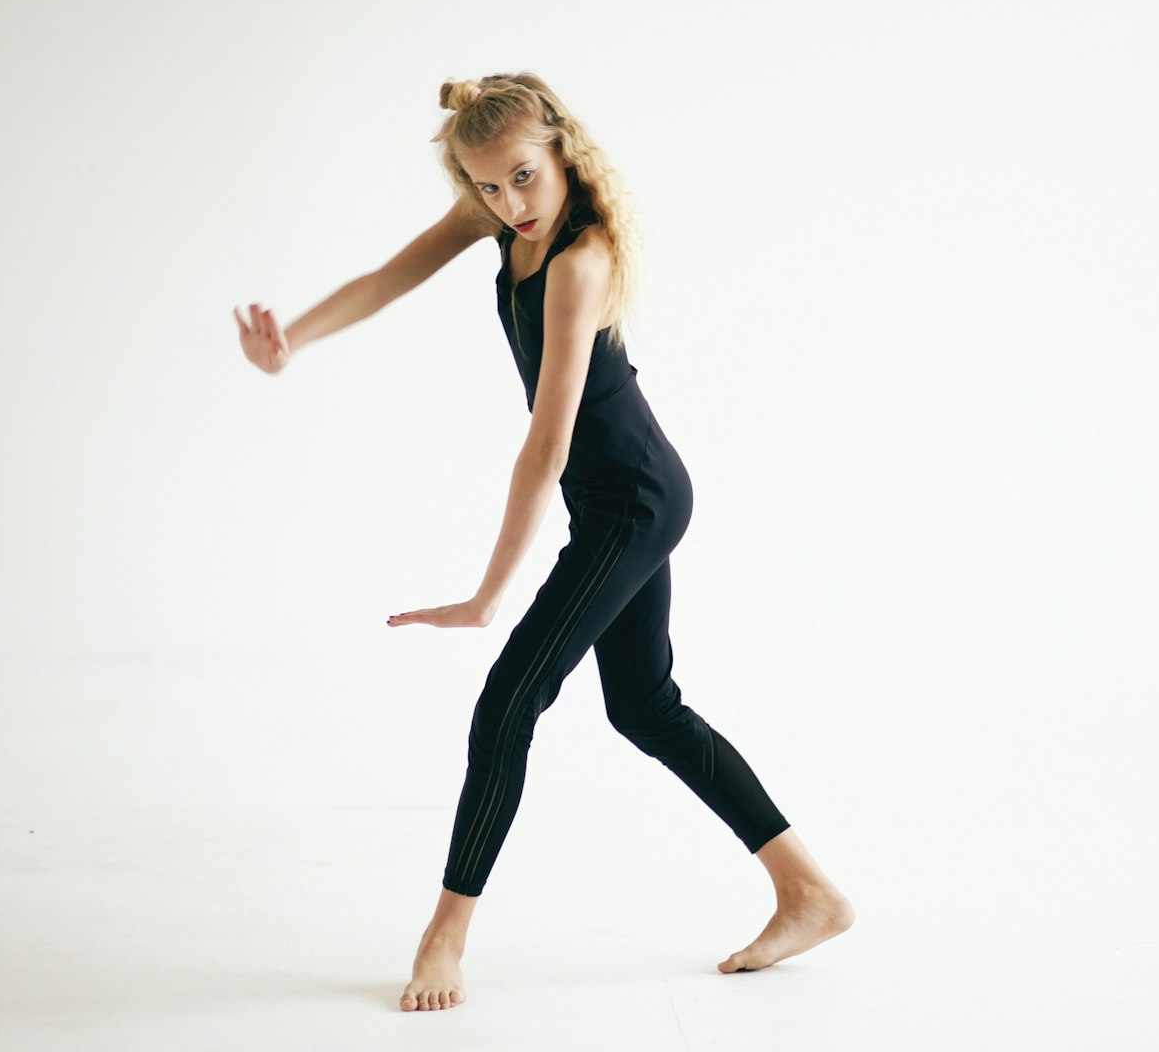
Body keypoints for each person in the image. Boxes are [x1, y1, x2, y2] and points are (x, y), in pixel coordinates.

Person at [233, 71, 854, 1013]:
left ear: (561, 149)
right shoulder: (504, 223)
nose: (507, 204)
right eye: (486, 187)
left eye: (522, 177)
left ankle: (445, 935)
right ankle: (809, 891)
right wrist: (295, 342)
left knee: (510, 697)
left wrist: (488, 594)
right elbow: (389, 277)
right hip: (620, 498)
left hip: (632, 503)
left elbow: (547, 443)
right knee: (644, 707)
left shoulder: (580, 259)